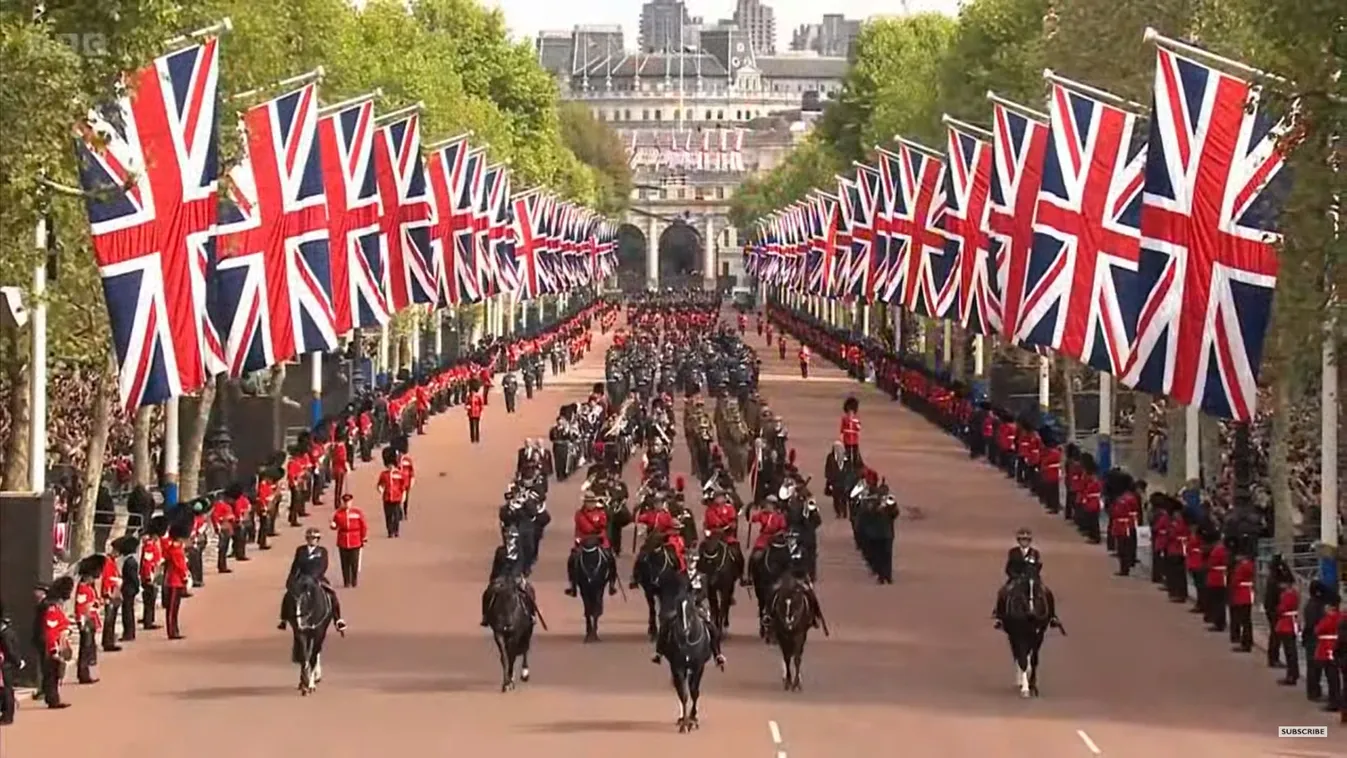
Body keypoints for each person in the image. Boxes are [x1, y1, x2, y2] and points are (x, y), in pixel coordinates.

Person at [278, 527, 347, 633]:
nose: (311, 540)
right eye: (309, 538)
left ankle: (338, 619)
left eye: (314, 538)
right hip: (302, 577)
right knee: (288, 595)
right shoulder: (300, 550)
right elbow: (295, 565)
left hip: (317, 577)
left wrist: (314, 577)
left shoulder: (322, 551)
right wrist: (291, 578)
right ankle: (284, 619)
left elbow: (323, 565)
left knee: (332, 595)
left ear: (317, 540)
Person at [482, 527, 538, 626]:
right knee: (488, 593)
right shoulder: (500, 551)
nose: (510, 539)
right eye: (508, 537)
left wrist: (517, 575)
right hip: (501, 578)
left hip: (516, 576)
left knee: (529, 591)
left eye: (512, 537)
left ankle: (531, 615)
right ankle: (486, 616)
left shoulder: (520, 551)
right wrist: (494, 579)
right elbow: (496, 566)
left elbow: (521, 564)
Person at [566, 494, 617, 596]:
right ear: (585, 503)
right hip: (584, 539)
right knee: (572, 559)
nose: (590, 504)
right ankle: (573, 586)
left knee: (610, 557)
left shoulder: (601, 512)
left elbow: (604, 524)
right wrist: (595, 528)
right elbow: (584, 527)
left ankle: (612, 584)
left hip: (599, 539)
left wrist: (599, 532)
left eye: (592, 502)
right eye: (588, 502)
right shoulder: (579, 514)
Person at [38, 577, 73, 709]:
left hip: (56, 644)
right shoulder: (52, 609)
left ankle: (52, 697)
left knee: (54, 674)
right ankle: (53, 700)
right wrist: (54, 650)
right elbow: (51, 632)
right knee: (52, 674)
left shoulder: (54, 607)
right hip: (53, 646)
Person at [330, 494, 368, 588]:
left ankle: (354, 580)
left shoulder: (357, 512)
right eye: (345, 502)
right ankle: (346, 581)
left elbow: (363, 525)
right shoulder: (338, 513)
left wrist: (363, 537)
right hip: (343, 539)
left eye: (349, 502)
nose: (347, 504)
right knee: (345, 562)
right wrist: (333, 526)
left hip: (355, 539)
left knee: (354, 562)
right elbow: (335, 525)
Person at [1273, 573, 1302, 686]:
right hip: (1290, 622)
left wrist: (1278, 609)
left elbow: (1282, 608)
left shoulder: (1288, 594)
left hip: (1287, 624)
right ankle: (1292, 673)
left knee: (1290, 652)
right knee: (1291, 651)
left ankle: (1291, 675)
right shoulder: (1293, 593)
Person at [162, 525, 190, 640]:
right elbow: (180, 566)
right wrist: (185, 576)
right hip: (174, 581)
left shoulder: (175, 548)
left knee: (174, 608)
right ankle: (172, 631)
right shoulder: (175, 550)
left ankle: (174, 630)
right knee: (172, 609)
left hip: (175, 581)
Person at [0, 602, 23, 724]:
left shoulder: (5, 635)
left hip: (5, 665)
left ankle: (7, 716)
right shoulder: (9, 633)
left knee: (6, 691)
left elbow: (9, 651)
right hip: (8, 665)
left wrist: (17, 661)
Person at [377, 447, 406, 538]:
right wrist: (380, 489)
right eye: (389, 465)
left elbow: (403, 487)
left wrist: (403, 496)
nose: (390, 466)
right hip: (387, 498)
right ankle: (390, 531)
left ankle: (396, 530)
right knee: (388, 516)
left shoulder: (399, 474)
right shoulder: (383, 474)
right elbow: (380, 484)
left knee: (396, 516)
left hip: (397, 497)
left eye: (391, 465)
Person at [840, 396, 861, 468]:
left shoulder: (856, 419)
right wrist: (842, 436)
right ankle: (847, 465)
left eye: (852, 411)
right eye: (849, 411)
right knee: (847, 453)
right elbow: (842, 429)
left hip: (854, 439)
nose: (850, 413)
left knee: (855, 453)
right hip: (847, 439)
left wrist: (856, 424)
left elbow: (858, 429)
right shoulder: (845, 419)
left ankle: (855, 465)